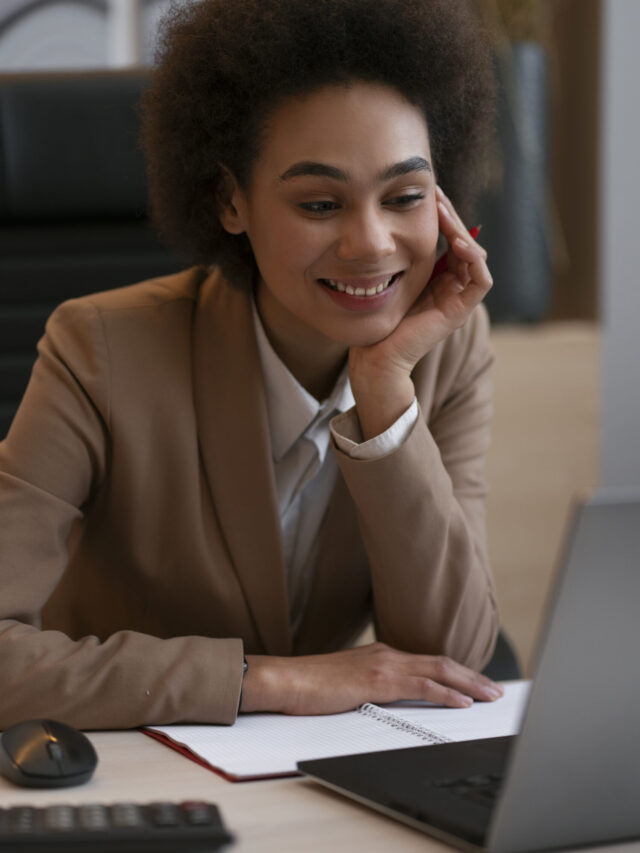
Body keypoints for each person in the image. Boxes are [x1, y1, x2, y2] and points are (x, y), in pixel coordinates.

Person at [0, 0, 503, 730]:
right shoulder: (97, 350)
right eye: (321, 202)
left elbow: (450, 653)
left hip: (308, 788)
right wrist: (264, 680)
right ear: (230, 200)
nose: (371, 242)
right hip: (127, 769)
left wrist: (385, 393)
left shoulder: (446, 347)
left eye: (404, 197)